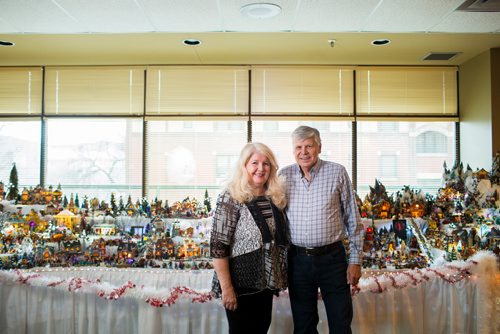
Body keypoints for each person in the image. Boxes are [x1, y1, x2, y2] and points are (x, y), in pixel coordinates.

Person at [279, 125, 364, 334]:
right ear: (293, 150)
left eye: (309, 146)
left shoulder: (337, 172)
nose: (303, 152)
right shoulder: (283, 176)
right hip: (297, 261)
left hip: (332, 260)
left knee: (340, 323)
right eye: (298, 147)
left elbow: (353, 219)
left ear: (319, 147)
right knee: (304, 325)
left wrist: (355, 261)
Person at [210, 142, 289, 334]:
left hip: (265, 285)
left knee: (261, 330)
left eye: (266, 163)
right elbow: (218, 247)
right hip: (240, 287)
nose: (260, 169)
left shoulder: (275, 197)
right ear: (244, 166)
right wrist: (227, 289)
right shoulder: (230, 197)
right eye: (254, 163)